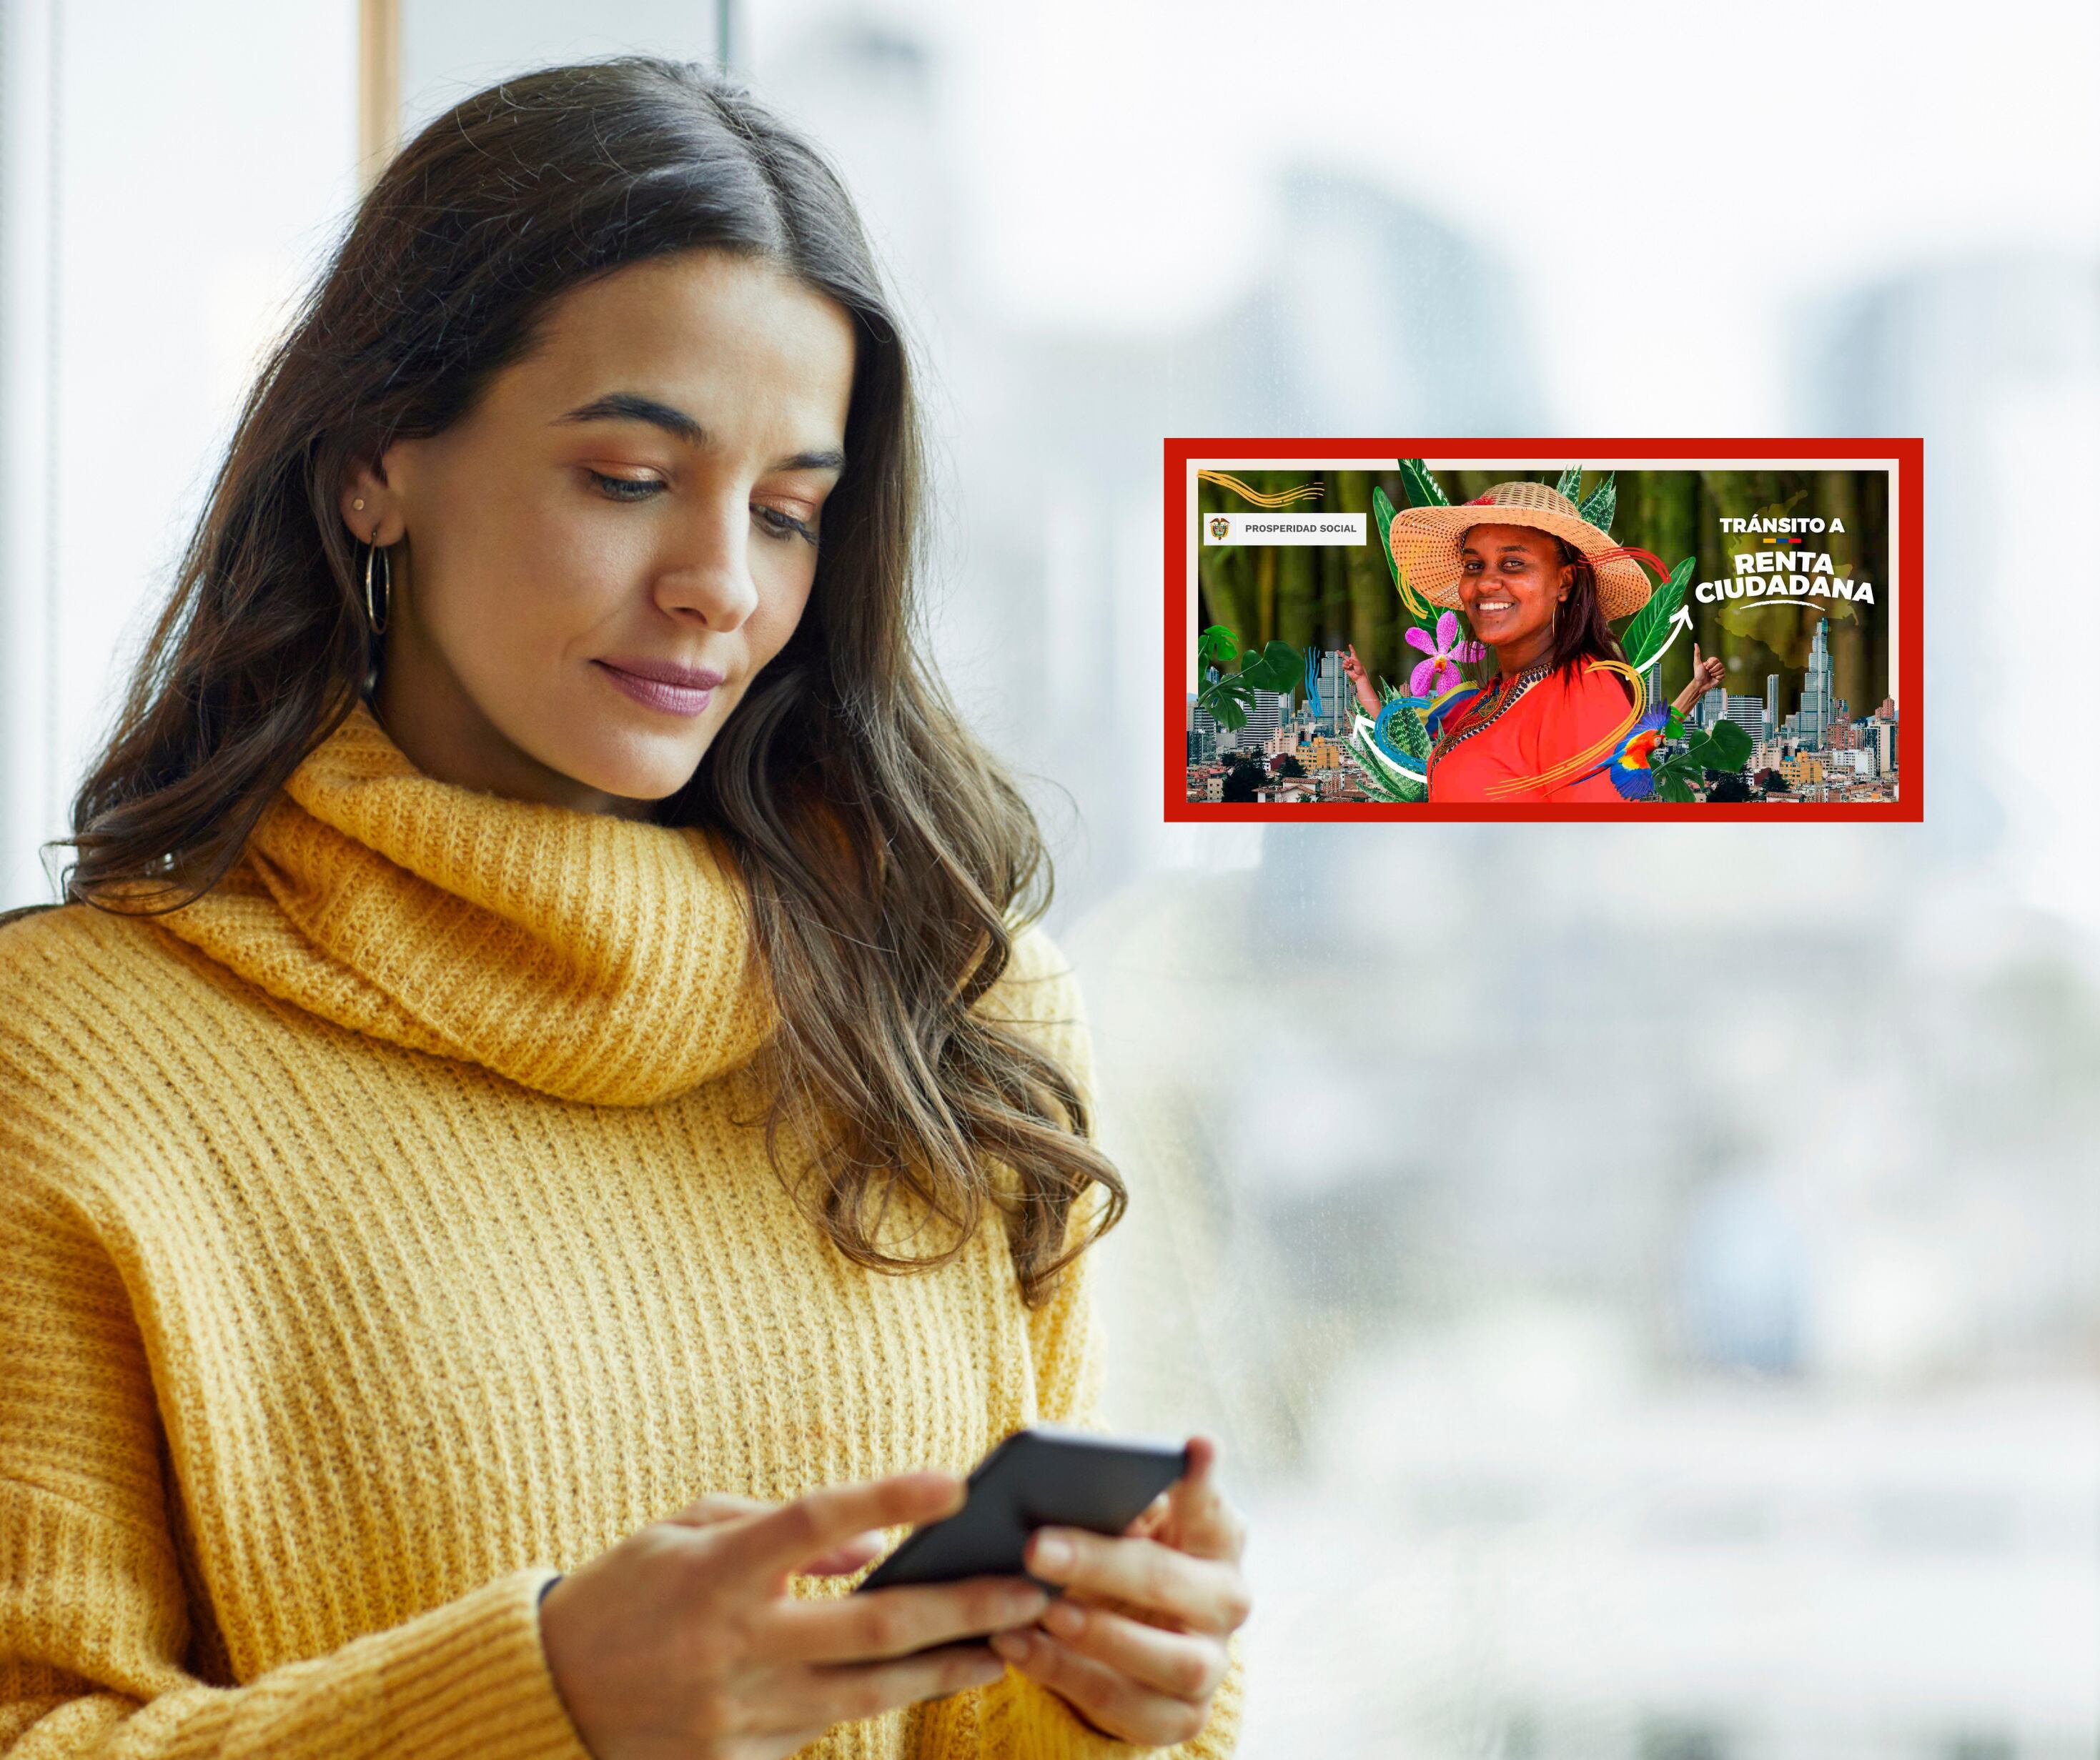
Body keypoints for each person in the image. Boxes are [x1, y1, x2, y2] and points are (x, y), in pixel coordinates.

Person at [0, 58, 1247, 1760]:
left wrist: (1121, 1704)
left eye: (789, 510)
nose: (721, 583)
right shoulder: (68, 1057)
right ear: (378, 458)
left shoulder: (945, 1009)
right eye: (625, 476)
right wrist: (545, 1697)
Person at [1340, 479, 1725, 802]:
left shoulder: (1583, 692)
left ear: (1564, 582)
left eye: (1513, 564)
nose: (1486, 583)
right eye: (1474, 566)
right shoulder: (1492, 695)